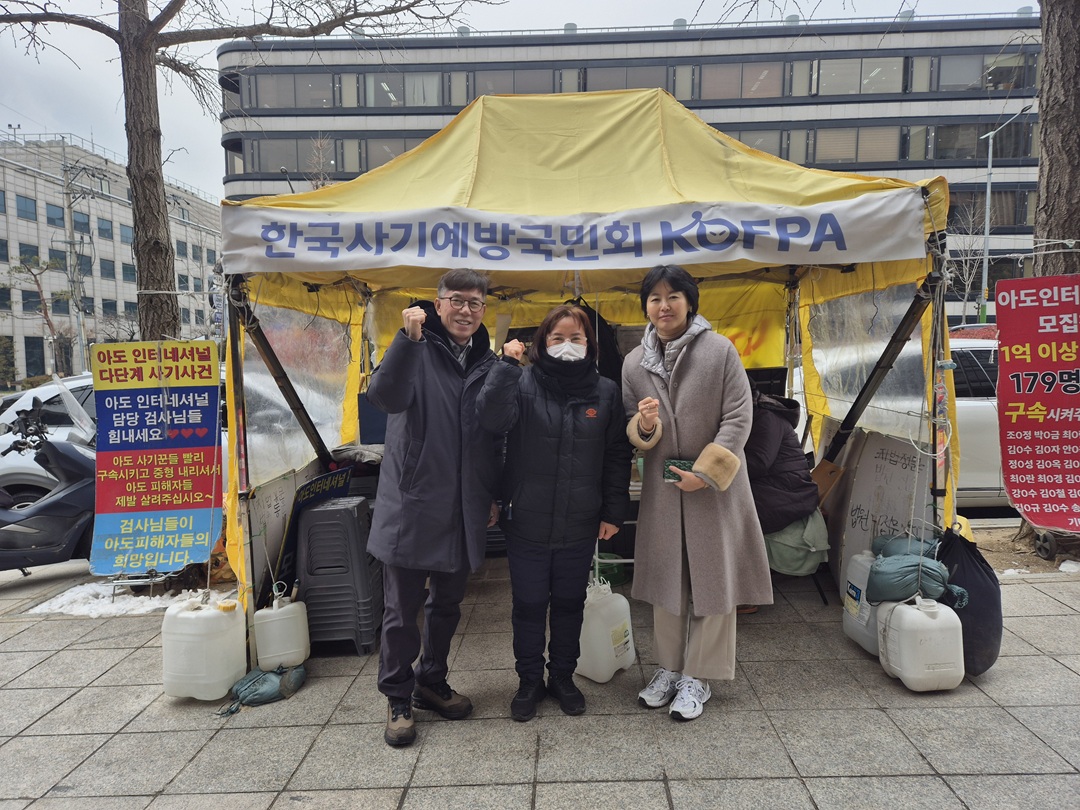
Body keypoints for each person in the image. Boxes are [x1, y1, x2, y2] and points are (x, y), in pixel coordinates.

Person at [621, 264, 773, 721]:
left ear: (690, 302)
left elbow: (739, 417)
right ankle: (669, 667)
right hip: (665, 488)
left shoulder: (719, 350)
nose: (663, 306)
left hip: (715, 490)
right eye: (654, 299)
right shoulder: (633, 362)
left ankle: (699, 677)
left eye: (672, 297)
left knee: (714, 578)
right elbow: (632, 428)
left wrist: (705, 473)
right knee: (668, 579)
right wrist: (645, 426)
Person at [365, 269, 501, 747]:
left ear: (484, 311)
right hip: (412, 501)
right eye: (457, 301)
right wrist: (407, 340)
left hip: (463, 505)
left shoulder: (487, 361)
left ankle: (431, 681)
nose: (466, 310)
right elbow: (385, 396)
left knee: (446, 604)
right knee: (401, 611)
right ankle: (397, 694)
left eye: (476, 303)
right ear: (438, 304)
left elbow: (490, 437)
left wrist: (490, 497)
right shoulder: (415, 345)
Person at [477, 305, 631, 721]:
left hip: (580, 520)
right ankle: (529, 681)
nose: (567, 345)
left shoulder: (606, 391)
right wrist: (507, 366)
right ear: (541, 344)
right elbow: (490, 420)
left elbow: (618, 454)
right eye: (557, 338)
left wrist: (614, 511)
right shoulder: (522, 382)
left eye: (576, 338)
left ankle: (562, 677)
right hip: (526, 518)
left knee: (568, 604)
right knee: (527, 606)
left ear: (589, 344)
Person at [744, 378, 828, 580]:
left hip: (789, 493)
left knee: (730, 511)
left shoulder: (765, 418)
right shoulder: (755, 414)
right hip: (778, 487)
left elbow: (758, 462)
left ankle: (748, 586)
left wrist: (718, 462)